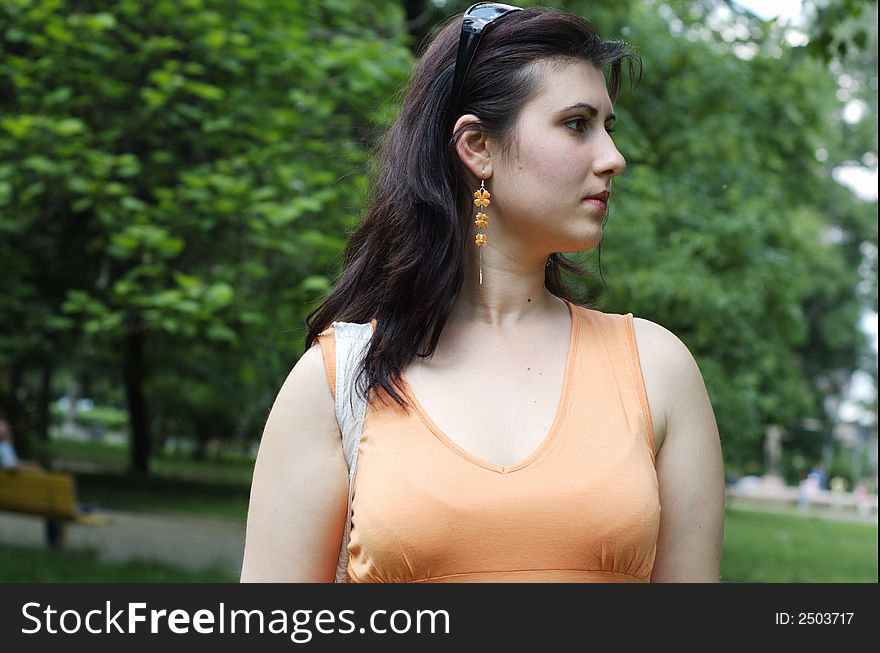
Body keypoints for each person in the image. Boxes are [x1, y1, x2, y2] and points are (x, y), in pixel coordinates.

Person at [241, 3, 724, 583]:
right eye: (577, 124)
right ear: (477, 147)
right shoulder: (338, 379)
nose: (613, 158)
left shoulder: (658, 369)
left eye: (607, 128)